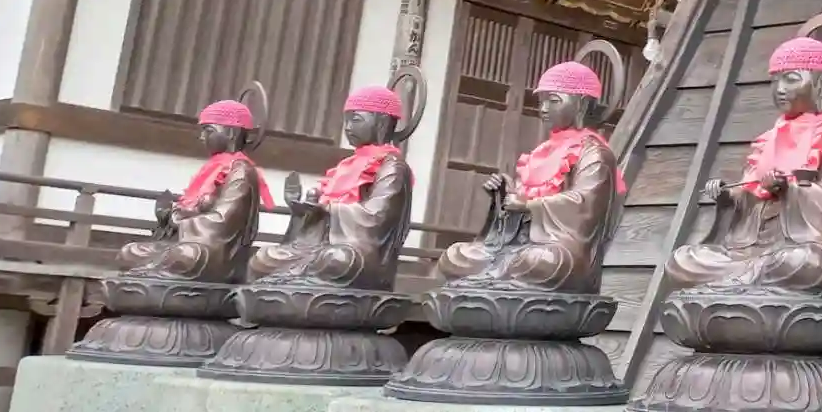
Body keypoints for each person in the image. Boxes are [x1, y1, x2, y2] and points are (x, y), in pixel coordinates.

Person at [667, 35, 822, 298]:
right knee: (682, 259)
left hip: (797, 249)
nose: (779, 88)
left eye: (791, 79)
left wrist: (789, 189)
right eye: (775, 80)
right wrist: (727, 197)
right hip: (749, 249)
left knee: (810, 263)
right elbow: (748, 193)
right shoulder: (767, 141)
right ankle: (745, 277)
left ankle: (740, 279)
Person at [440, 61, 621, 292]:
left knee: (544, 262)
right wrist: (503, 194)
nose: (543, 108)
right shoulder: (543, 151)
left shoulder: (595, 153)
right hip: (518, 245)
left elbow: (584, 206)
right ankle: (499, 272)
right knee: (454, 255)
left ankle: (497, 274)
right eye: (541, 101)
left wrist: (528, 205)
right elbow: (520, 203)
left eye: (553, 100)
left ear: (582, 104)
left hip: (557, 248)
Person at [252, 85, 413, 291]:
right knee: (262, 258)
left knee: (340, 260)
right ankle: (298, 280)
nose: (348, 127)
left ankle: (297, 282)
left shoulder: (392, 166)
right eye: (346, 120)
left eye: (356, 120)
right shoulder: (348, 164)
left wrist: (328, 209)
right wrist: (303, 209)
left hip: (356, 252)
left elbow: (377, 217)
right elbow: (320, 213)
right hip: (318, 247)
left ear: (381, 122)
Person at [121, 97, 267, 283]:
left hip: (215, 252)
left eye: (208, 131)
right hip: (191, 242)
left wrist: (179, 220)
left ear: (231, 133)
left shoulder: (241, 171)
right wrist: (172, 214)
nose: (202, 137)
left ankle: (157, 271)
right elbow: (195, 206)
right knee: (130, 251)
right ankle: (156, 270)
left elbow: (223, 221)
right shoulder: (213, 167)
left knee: (187, 255)